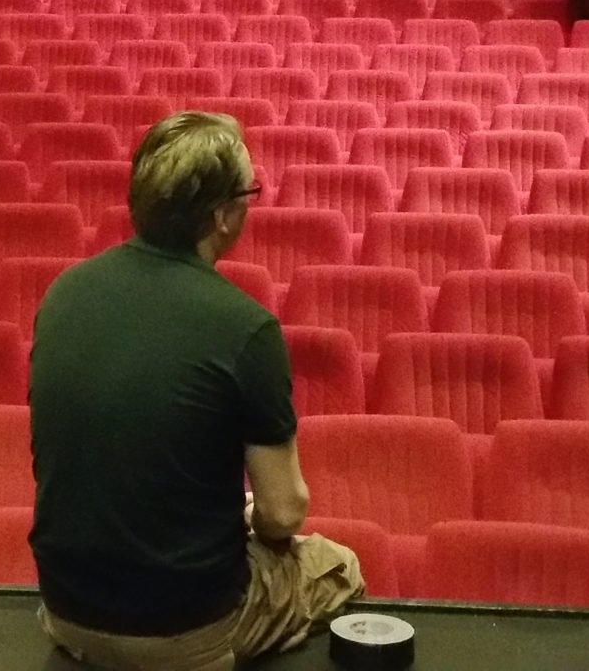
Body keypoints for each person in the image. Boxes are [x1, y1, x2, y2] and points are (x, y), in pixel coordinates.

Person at [29, 112, 364, 671]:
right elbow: (283, 513)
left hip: (65, 610)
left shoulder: (63, 293)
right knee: (337, 566)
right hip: (183, 629)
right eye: (249, 193)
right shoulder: (245, 328)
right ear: (221, 215)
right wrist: (254, 522)